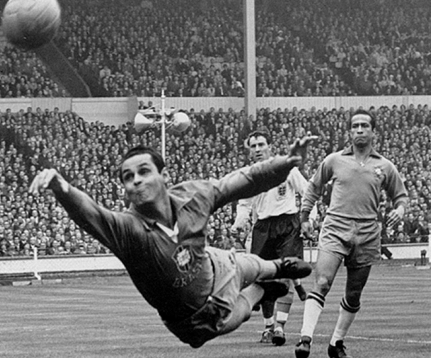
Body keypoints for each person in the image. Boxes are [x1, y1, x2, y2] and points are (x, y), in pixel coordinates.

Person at [29, 137, 317, 348]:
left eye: (144, 171)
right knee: (238, 312)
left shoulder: (195, 195)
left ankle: (276, 266)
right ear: (126, 190)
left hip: (215, 264)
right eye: (128, 178)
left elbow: (243, 180)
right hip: (197, 316)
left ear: (163, 176)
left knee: (249, 263)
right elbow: (92, 214)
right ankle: (262, 291)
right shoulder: (129, 231)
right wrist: (62, 187)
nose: (136, 181)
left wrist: (286, 163)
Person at [295, 108, 408, 358]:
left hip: (367, 232)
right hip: (336, 227)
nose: (359, 129)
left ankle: (336, 343)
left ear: (372, 131)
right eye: (355, 126)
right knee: (322, 282)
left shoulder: (385, 166)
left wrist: (399, 210)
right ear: (349, 131)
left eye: (364, 126)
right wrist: (304, 217)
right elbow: (313, 187)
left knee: (354, 293)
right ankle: (305, 339)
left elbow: (401, 197)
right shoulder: (334, 160)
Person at [232, 129, 311, 347]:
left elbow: (307, 191)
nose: (257, 149)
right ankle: (268, 326)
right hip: (263, 228)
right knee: (263, 278)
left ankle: (279, 327)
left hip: (288, 223)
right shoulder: (248, 175)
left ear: (269, 146)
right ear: (249, 151)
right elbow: (244, 204)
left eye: (261, 144)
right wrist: (239, 222)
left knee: (286, 272)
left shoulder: (285, 167)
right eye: (253, 146)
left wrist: (308, 219)